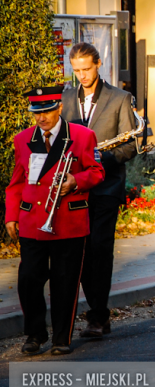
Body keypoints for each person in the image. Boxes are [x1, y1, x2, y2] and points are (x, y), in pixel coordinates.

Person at [5, 86, 105, 355]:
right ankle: (35, 334)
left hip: (67, 221)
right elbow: (16, 184)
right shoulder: (23, 139)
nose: (41, 118)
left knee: (65, 282)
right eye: (36, 113)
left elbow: (97, 172)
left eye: (47, 111)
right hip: (32, 220)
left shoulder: (82, 136)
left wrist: (76, 180)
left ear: (59, 107)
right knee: (28, 280)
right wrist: (11, 216)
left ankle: (62, 338)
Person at [60, 43, 139, 340]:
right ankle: (97, 312)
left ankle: (97, 316)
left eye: (86, 69)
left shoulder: (120, 98)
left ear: (99, 64)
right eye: (76, 70)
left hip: (106, 187)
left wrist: (97, 158)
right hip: (73, 188)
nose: (81, 75)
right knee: (78, 252)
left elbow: (130, 146)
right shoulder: (65, 99)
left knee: (100, 251)